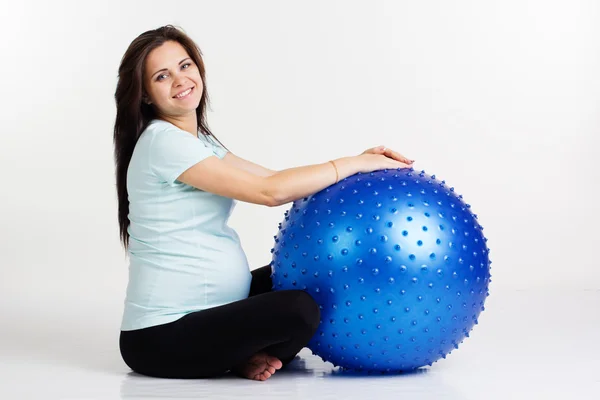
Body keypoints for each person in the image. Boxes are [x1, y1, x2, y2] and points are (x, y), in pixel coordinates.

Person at [113, 25, 414, 382]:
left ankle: (241, 354)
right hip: (160, 337)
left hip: (213, 314)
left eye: (185, 65)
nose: (180, 79)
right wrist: (353, 163)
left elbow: (275, 177)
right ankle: (241, 355)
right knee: (300, 310)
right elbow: (268, 192)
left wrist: (354, 162)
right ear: (145, 95)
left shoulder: (201, 142)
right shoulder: (163, 142)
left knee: (310, 279)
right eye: (162, 76)